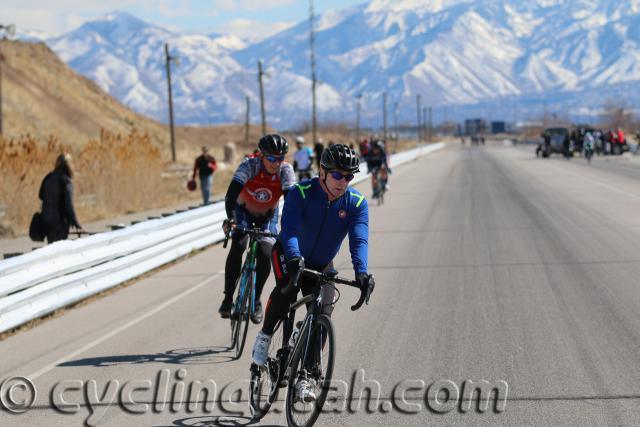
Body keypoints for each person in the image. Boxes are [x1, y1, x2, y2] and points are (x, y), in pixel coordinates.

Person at [251, 143, 374, 402]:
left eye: (349, 176)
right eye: (338, 175)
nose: (343, 181)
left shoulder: (357, 204)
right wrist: (295, 257)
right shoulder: (300, 192)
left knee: (322, 312)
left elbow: (359, 240)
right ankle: (264, 337)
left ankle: (306, 376)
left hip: (321, 264)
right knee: (287, 288)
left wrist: (362, 272)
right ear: (323, 172)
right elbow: (291, 229)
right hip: (289, 253)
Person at [219, 134, 296, 324]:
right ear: (262, 155)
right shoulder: (249, 165)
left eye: (280, 158)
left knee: (265, 252)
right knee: (238, 244)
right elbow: (231, 194)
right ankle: (228, 297)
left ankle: (257, 300)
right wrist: (231, 219)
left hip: (267, 216)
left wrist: (292, 226)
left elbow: (292, 202)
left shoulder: (285, 170)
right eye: (271, 158)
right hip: (242, 211)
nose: (276, 163)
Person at [38, 153, 83, 243]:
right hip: (60, 223)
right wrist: (75, 222)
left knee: (52, 247)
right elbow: (69, 204)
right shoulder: (66, 180)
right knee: (60, 249)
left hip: (46, 221)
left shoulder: (48, 177)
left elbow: (40, 196)